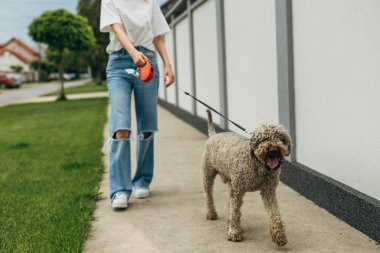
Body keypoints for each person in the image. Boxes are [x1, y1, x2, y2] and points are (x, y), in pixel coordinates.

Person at [100, 0, 175, 209]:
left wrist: (168, 64)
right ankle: (119, 191)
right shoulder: (110, 1)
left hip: (147, 62)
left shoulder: (149, 3)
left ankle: (141, 180)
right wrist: (133, 53)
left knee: (147, 127)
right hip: (119, 64)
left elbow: (157, 37)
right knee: (121, 127)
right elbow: (117, 28)